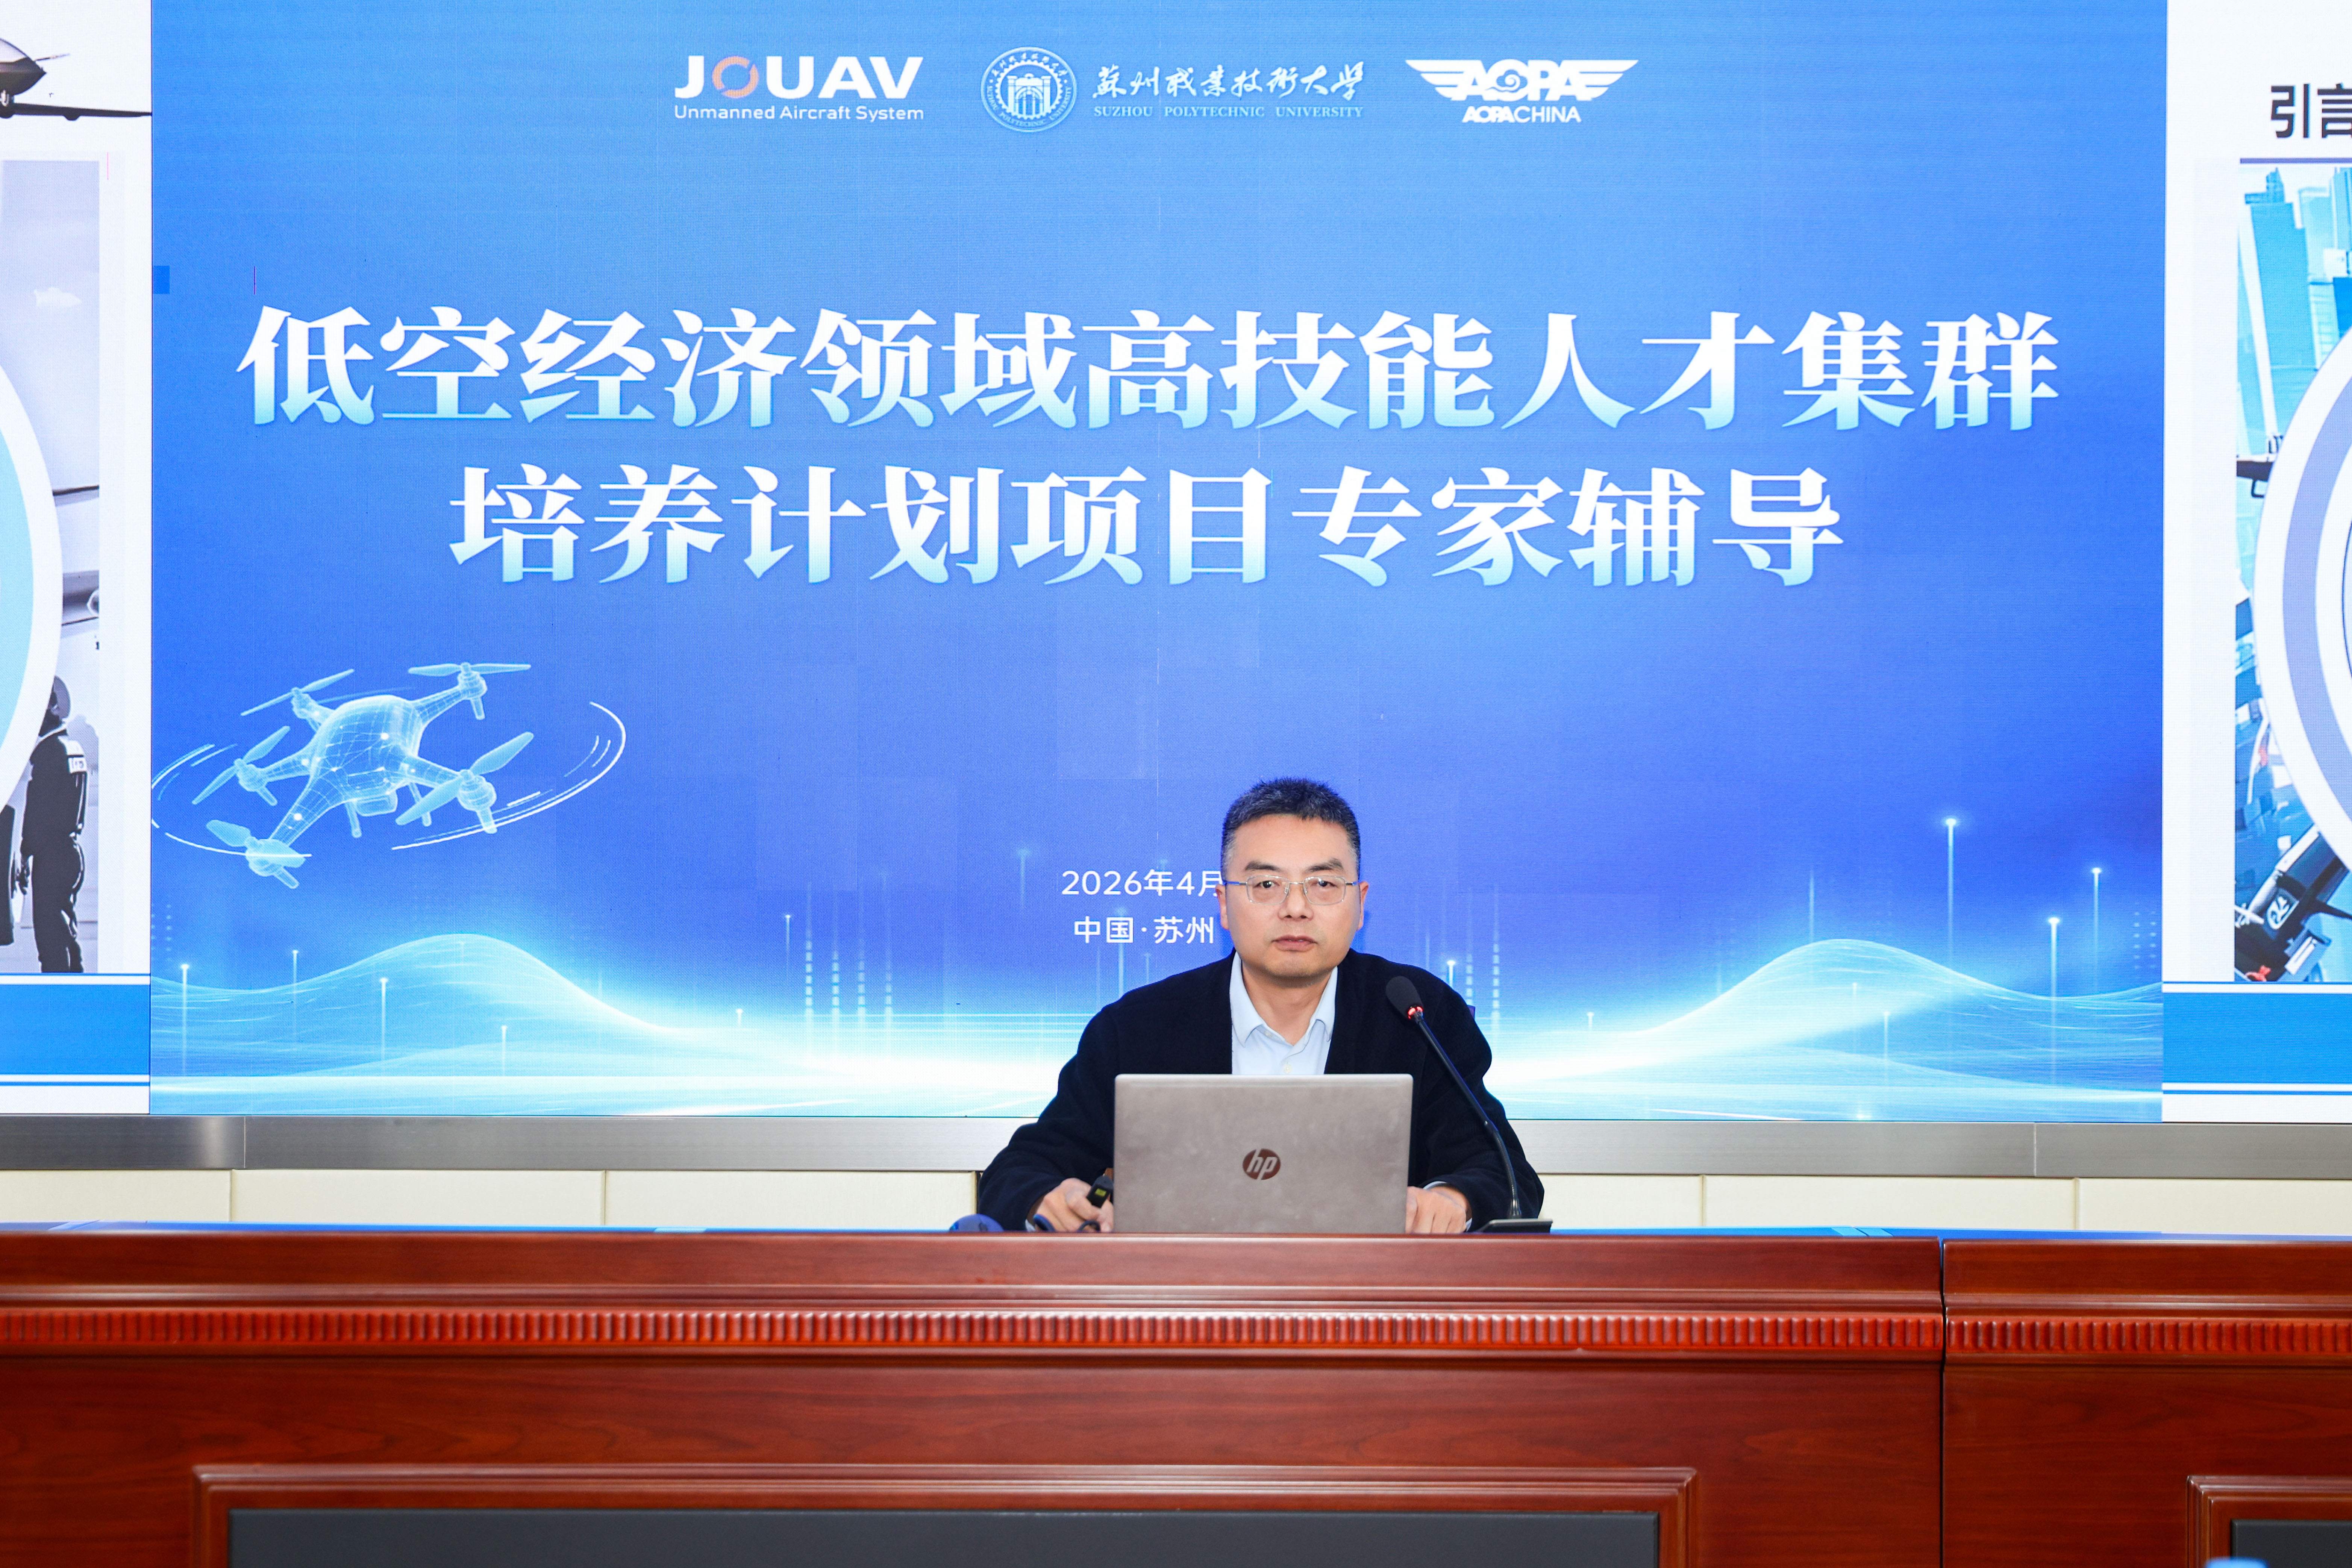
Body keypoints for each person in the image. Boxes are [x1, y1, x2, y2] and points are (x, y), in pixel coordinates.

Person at [978, 778, 1541, 1235]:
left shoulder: (1418, 1014)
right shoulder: (1139, 1026)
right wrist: (1049, 1198)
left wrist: (1454, 1198)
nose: (1296, 908)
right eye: (1266, 885)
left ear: (1359, 903)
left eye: (1324, 884)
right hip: (1186, 1310)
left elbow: (1506, 1173)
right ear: (1224, 904)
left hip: (1366, 1310)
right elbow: (1018, 1172)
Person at [18, 679, 86, 973]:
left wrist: (25, 853)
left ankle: (59, 994)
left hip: (52, 856)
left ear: (51, 710)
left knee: (50, 941)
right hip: (71, 853)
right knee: (66, 934)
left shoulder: (48, 752)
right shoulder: (73, 747)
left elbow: (38, 810)